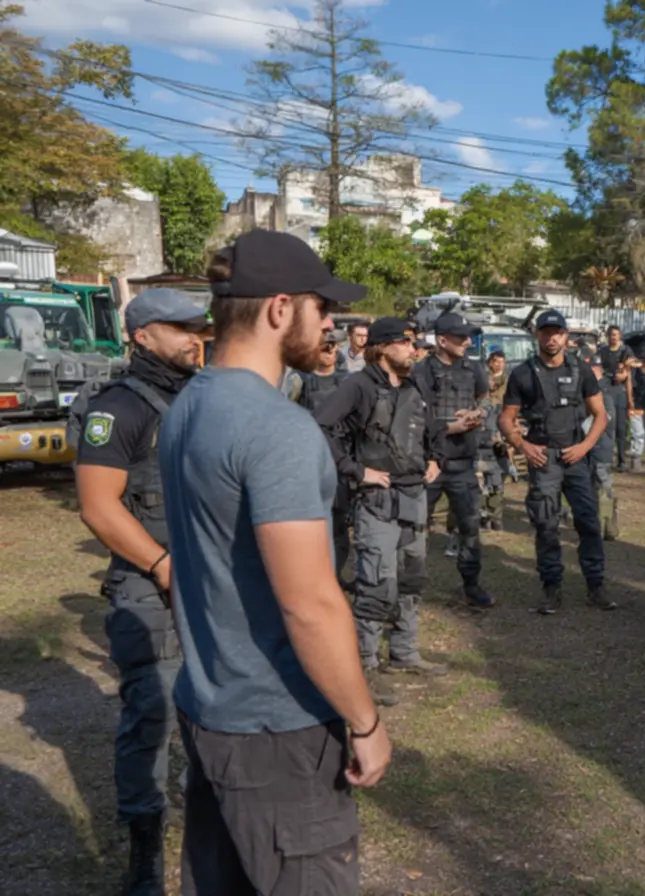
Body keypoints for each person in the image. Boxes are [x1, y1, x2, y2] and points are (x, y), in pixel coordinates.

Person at [160, 230, 390, 895]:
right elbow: (309, 603)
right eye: (323, 308)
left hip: (209, 707)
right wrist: (366, 722)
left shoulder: (189, 405)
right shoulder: (276, 427)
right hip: (275, 726)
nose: (333, 323)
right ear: (279, 308)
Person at [75, 288, 209, 895]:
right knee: (151, 714)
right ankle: (145, 857)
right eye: (178, 326)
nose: (193, 335)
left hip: (212, 586)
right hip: (149, 584)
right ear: (141, 336)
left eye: (196, 325)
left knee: (213, 711)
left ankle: (214, 834)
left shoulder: (206, 398)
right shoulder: (118, 409)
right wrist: (161, 565)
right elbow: (98, 508)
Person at [316, 317, 451, 707]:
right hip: (376, 503)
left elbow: (433, 429)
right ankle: (363, 666)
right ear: (383, 347)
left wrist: (437, 458)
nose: (415, 349)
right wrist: (356, 470)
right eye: (407, 343)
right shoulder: (357, 386)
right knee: (377, 583)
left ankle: (404, 653)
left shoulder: (413, 385)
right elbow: (320, 426)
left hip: (414, 497)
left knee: (412, 579)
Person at [499, 309, 616, 614]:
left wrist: (585, 446)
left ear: (566, 336)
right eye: (546, 332)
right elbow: (506, 418)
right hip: (543, 460)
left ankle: (596, 587)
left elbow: (601, 414)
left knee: (589, 522)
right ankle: (551, 589)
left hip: (576, 458)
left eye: (558, 333)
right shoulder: (523, 373)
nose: (552, 338)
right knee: (546, 525)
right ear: (538, 335)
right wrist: (522, 445)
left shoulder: (582, 370)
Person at [412, 311, 497, 607]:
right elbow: (414, 416)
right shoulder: (420, 371)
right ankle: (411, 586)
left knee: (470, 526)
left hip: (463, 462)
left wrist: (479, 413)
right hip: (429, 464)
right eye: (461, 337)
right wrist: (450, 427)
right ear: (442, 340)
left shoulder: (473, 369)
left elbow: (486, 398)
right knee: (416, 526)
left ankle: (471, 584)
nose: (467, 341)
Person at [299, 329, 355, 580]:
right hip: (309, 461)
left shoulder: (348, 382)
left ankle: (333, 576)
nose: (329, 351)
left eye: (333, 346)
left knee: (339, 524)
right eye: (324, 346)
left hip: (340, 460)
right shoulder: (299, 381)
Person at [582, 348, 622, 540]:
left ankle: (607, 528)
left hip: (600, 450)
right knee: (591, 490)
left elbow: (604, 419)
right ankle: (598, 526)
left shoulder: (602, 393)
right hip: (588, 451)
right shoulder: (588, 390)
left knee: (604, 489)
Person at [479, 350, 511, 530]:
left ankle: (495, 515)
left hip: (500, 432)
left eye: (502, 362)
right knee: (482, 478)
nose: (499, 365)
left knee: (499, 475)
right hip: (483, 433)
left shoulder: (509, 383)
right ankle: (484, 514)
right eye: (496, 361)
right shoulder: (482, 380)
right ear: (490, 362)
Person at [605, 357, 634, 472]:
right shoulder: (607, 380)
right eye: (617, 370)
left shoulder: (626, 383)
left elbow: (629, 389)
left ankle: (621, 461)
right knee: (610, 433)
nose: (618, 374)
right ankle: (609, 460)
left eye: (622, 371)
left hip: (621, 403)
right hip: (610, 403)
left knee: (621, 433)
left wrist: (630, 405)